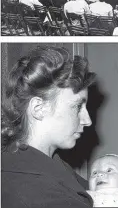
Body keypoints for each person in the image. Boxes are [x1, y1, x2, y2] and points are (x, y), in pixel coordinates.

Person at [1, 46, 96, 208]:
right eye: (78, 107)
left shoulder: (44, 163)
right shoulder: (38, 196)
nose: (88, 121)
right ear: (39, 109)